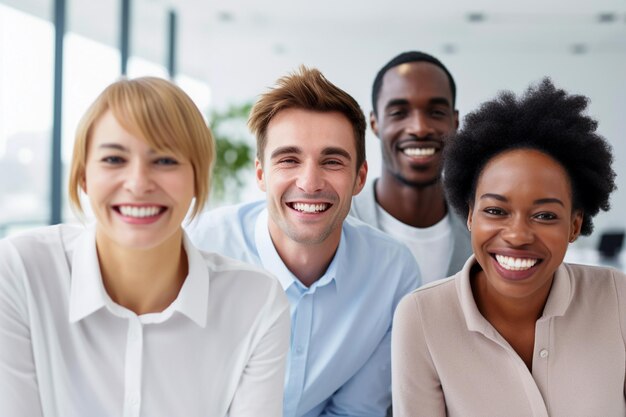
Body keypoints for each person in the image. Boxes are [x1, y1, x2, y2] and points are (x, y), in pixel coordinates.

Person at [0, 77, 290, 417]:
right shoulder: (20, 272)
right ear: (83, 177)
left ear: (198, 178)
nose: (138, 184)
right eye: (113, 160)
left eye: (165, 160)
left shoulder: (255, 302)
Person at [188, 66, 420, 417]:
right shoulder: (199, 247)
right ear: (261, 175)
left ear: (359, 178)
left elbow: (355, 411)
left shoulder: (392, 272)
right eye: (289, 159)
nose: (310, 183)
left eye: (331, 161)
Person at [392, 78, 625, 416]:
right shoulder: (422, 317)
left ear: (574, 225)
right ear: (470, 215)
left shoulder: (617, 298)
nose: (517, 235)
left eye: (545, 215)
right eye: (496, 211)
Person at [350, 51, 471, 285]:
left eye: (436, 112)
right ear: (374, 123)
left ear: (454, 122)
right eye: (399, 113)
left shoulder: (482, 229)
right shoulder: (338, 222)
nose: (419, 128)